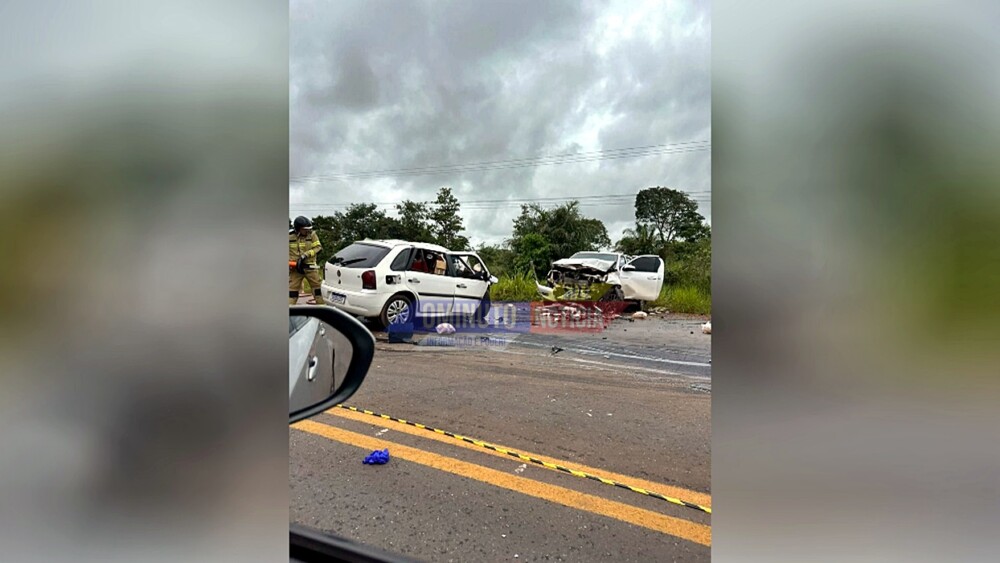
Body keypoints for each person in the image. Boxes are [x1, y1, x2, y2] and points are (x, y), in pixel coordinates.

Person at [289, 216, 324, 305]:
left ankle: (322, 308)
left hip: (310, 267)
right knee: (292, 291)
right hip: (295, 268)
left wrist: (306, 255)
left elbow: (318, 247)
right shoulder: (290, 236)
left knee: (317, 290)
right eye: (305, 229)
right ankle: (289, 310)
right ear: (298, 229)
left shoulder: (312, 235)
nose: (307, 231)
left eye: (309, 229)